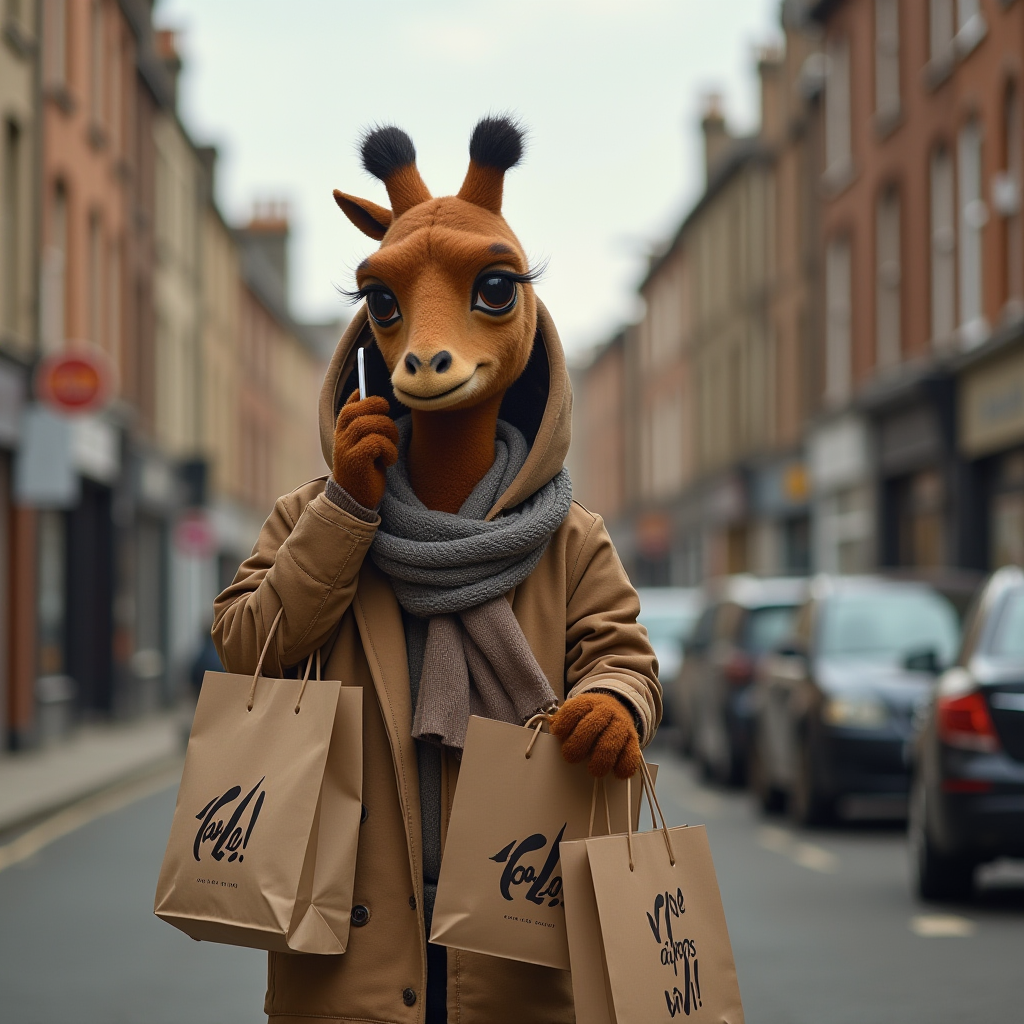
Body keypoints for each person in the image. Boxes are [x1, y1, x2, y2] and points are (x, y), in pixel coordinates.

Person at [212, 117, 660, 1024]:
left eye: (489, 289)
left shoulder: (571, 538)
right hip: (349, 960)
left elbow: (623, 655)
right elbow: (244, 650)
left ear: (524, 318)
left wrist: (615, 703)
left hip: (521, 947)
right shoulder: (316, 514)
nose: (422, 342)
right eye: (387, 309)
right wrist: (346, 509)